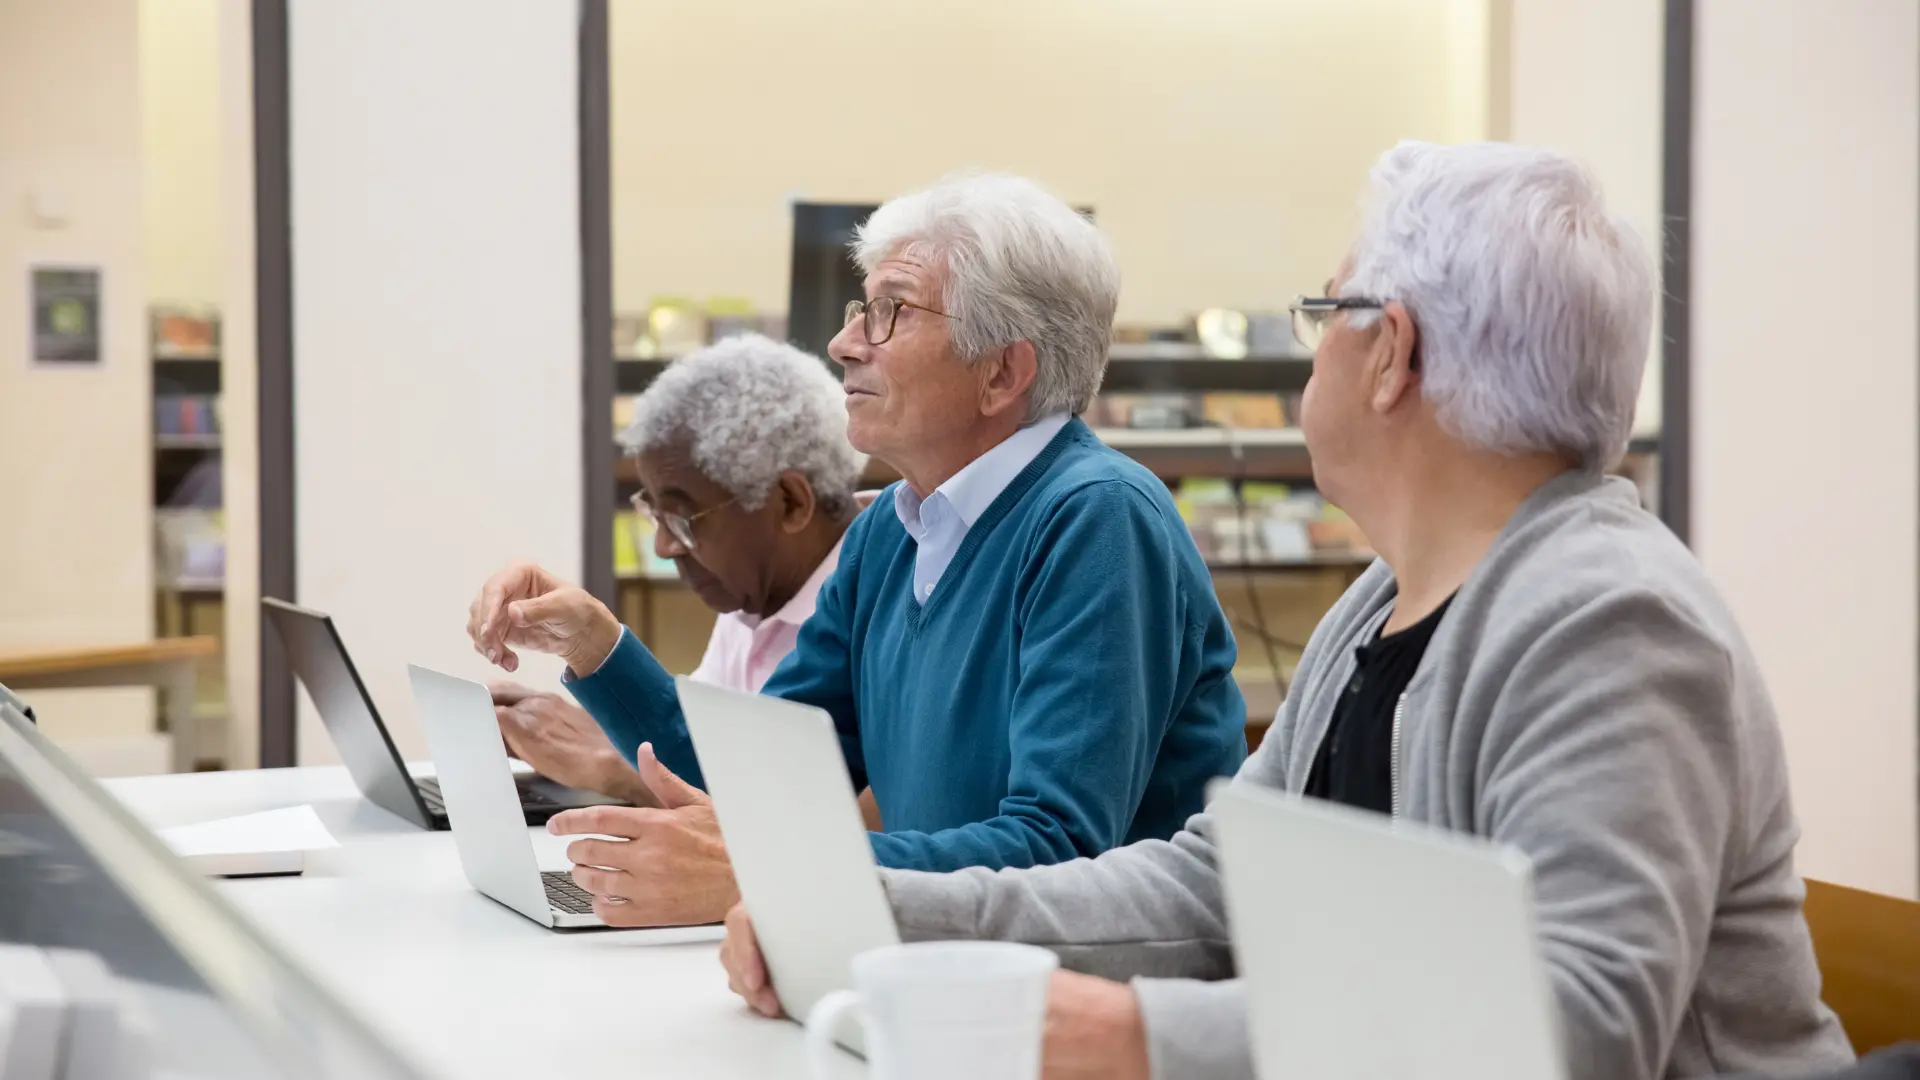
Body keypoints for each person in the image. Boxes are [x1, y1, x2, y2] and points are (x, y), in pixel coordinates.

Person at [719, 143, 1856, 1080]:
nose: (1314, 350)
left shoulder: (1613, 624)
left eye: (1328, 313)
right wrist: (884, 916)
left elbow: (1577, 1028)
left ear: (1391, 355)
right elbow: (1207, 881)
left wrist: (1136, 1037)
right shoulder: (1382, 601)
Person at [467, 173, 1248, 929]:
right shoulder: (891, 532)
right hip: (932, 972)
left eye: (890, 312)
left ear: (1003, 371)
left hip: (1083, 1011)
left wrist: (771, 869)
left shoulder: (1097, 519)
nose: (842, 343)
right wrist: (597, 646)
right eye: (858, 309)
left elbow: (1059, 853)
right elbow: (760, 778)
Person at [485, 333, 881, 827]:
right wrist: (603, 725)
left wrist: (612, 764)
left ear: (791, 503)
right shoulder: (756, 597)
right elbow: (704, 756)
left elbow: (789, 817)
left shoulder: (885, 595)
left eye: (684, 519)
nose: (663, 548)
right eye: (654, 514)